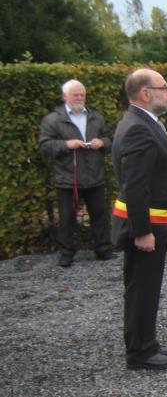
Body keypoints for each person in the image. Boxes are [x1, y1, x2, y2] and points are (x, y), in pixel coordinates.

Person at [111, 69, 167, 370]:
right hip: (147, 223)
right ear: (144, 93)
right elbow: (135, 185)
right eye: (164, 87)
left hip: (154, 220)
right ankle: (140, 353)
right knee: (142, 287)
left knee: (147, 286)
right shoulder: (138, 128)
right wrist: (142, 231)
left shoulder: (145, 123)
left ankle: (147, 343)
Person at [39, 79, 115, 267]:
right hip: (68, 179)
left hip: (95, 177)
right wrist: (66, 145)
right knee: (67, 219)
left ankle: (103, 250)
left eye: (82, 94)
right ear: (65, 96)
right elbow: (44, 145)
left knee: (99, 215)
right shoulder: (52, 120)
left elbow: (110, 139)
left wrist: (102, 143)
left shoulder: (96, 117)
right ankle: (66, 254)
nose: (80, 97)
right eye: (76, 94)